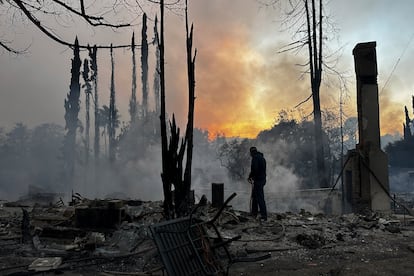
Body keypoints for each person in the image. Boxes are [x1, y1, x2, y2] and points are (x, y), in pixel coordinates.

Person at [248, 146, 267, 221]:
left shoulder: (255, 158)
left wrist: (250, 176)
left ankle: (264, 216)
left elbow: (254, 169)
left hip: (258, 180)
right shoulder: (262, 158)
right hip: (262, 179)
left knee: (259, 198)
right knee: (255, 197)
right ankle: (254, 213)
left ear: (251, 153)